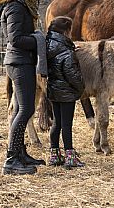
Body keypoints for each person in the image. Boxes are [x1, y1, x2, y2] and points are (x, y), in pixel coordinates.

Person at [0, 0, 46, 175]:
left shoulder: (21, 4)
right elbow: (16, 39)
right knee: (26, 110)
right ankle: (11, 160)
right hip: (19, 63)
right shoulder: (16, 6)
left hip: (22, 62)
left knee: (21, 108)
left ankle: (20, 153)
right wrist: (39, 40)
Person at [46, 16, 85, 169]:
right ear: (66, 31)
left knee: (56, 123)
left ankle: (54, 155)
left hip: (53, 90)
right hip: (67, 93)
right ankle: (70, 157)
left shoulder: (49, 45)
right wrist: (80, 88)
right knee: (67, 125)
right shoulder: (66, 51)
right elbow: (72, 74)